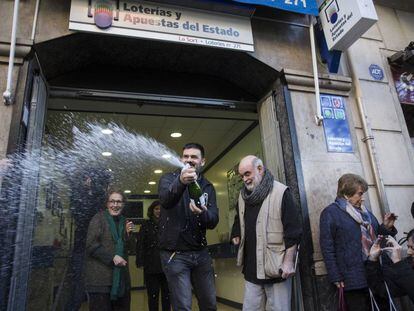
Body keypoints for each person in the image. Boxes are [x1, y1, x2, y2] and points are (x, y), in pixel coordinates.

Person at [231, 155, 302, 311]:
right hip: (251, 268)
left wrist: (288, 262)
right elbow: (238, 218)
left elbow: (294, 231)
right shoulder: (242, 196)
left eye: (247, 174)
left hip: (275, 267)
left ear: (260, 169)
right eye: (242, 176)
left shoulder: (281, 192)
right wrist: (236, 233)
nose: (245, 179)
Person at [319, 173, 397, 311]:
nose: (363, 198)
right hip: (352, 278)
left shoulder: (366, 213)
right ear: (346, 194)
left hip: (375, 274)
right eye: (360, 194)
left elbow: (378, 238)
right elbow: (327, 247)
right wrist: (335, 275)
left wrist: (386, 227)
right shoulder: (330, 213)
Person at [158, 142, 219, 311]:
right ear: (181, 159)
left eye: (194, 157)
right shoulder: (169, 179)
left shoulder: (208, 187)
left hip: (201, 254)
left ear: (202, 161)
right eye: (186, 156)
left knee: (209, 303)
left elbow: (213, 221)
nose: (189, 160)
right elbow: (165, 200)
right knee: (183, 306)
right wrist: (180, 181)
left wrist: (202, 213)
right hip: (175, 255)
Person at [85, 190, 133, 311]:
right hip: (100, 282)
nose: (115, 205)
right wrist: (112, 258)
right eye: (112, 201)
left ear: (123, 204)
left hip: (121, 281)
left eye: (119, 202)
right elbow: (90, 245)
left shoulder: (125, 221)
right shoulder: (98, 218)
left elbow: (130, 249)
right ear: (107, 204)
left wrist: (128, 235)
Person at [136, 200, 170, 311]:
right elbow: (140, 244)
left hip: (167, 265)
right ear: (152, 210)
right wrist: (140, 261)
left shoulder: (168, 224)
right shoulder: (145, 225)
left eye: (161, 209)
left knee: (167, 295)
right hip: (151, 265)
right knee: (153, 295)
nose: (159, 211)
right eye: (156, 209)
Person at [366, 231, 414, 303]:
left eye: (413, 248)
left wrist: (398, 262)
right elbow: (383, 289)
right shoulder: (409, 264)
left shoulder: (403, 267)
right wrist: (372, 260)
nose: (409, 252)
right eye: (408, 247)